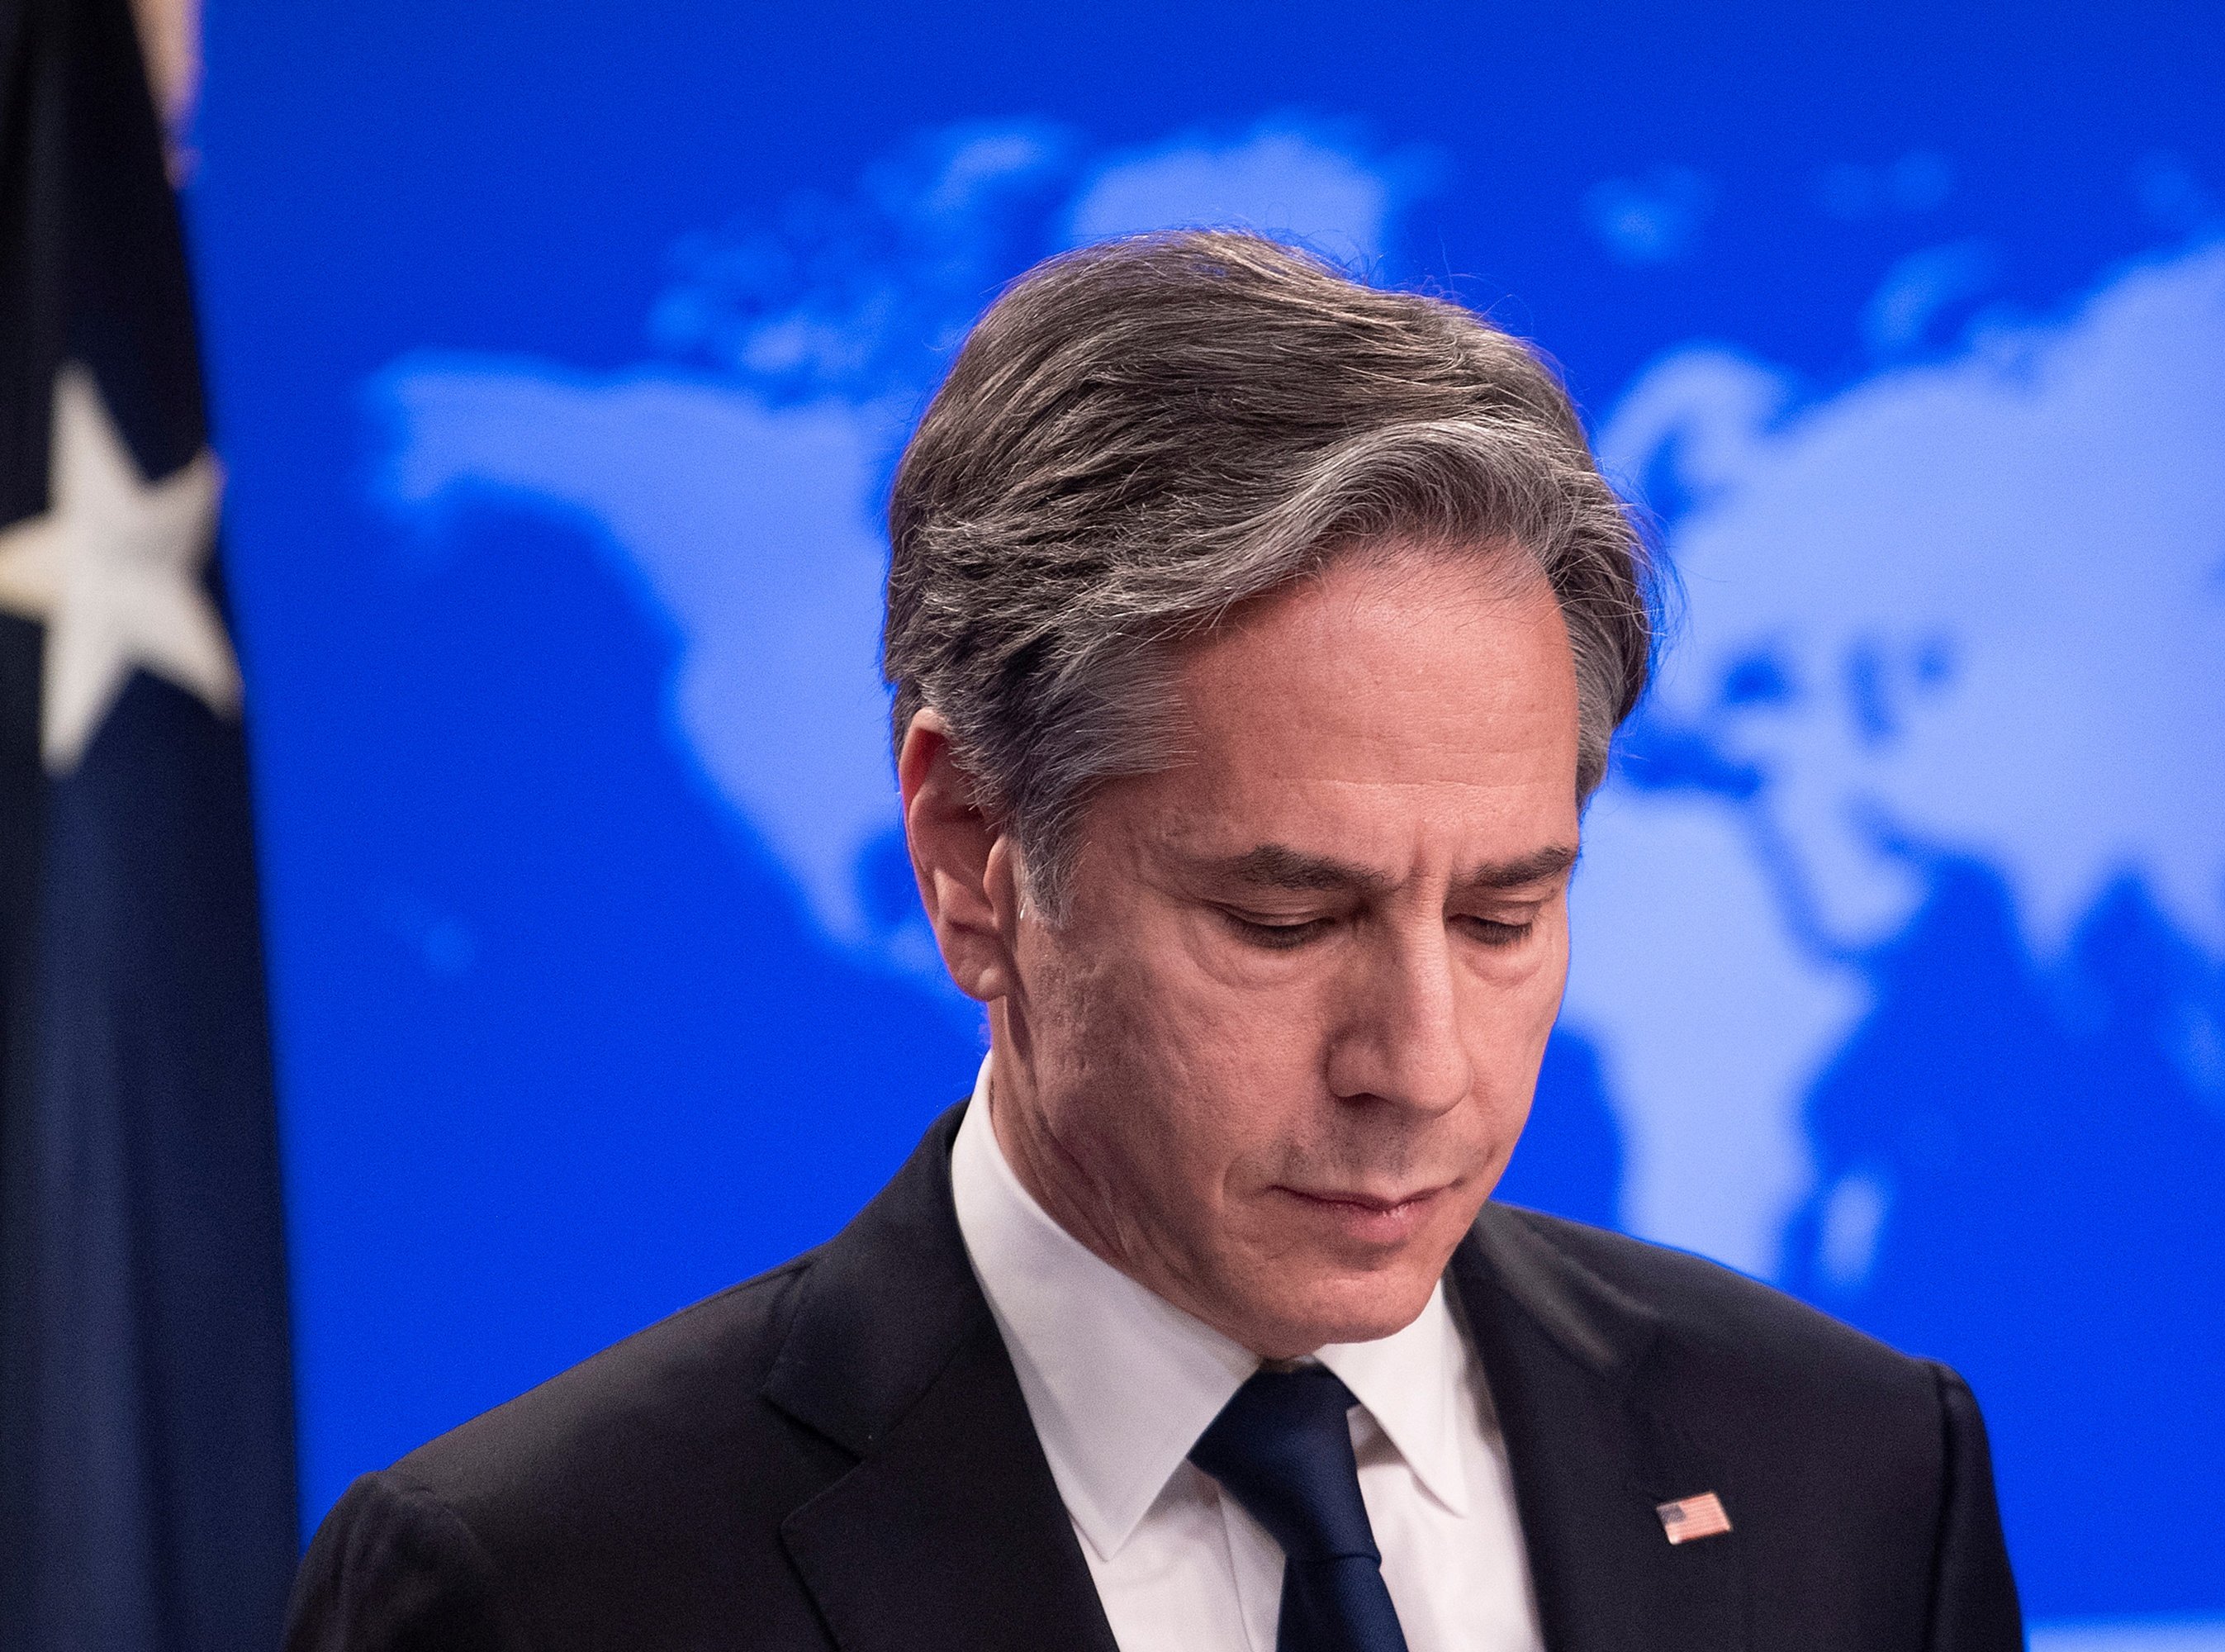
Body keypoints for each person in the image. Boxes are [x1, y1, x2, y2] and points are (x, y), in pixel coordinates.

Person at [285, 231, 2022, 1652]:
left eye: (1505, 913)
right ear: (972, 857)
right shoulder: (541, 1591)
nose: (1421, 1068)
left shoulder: (1854, 1472)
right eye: (1286, 918)